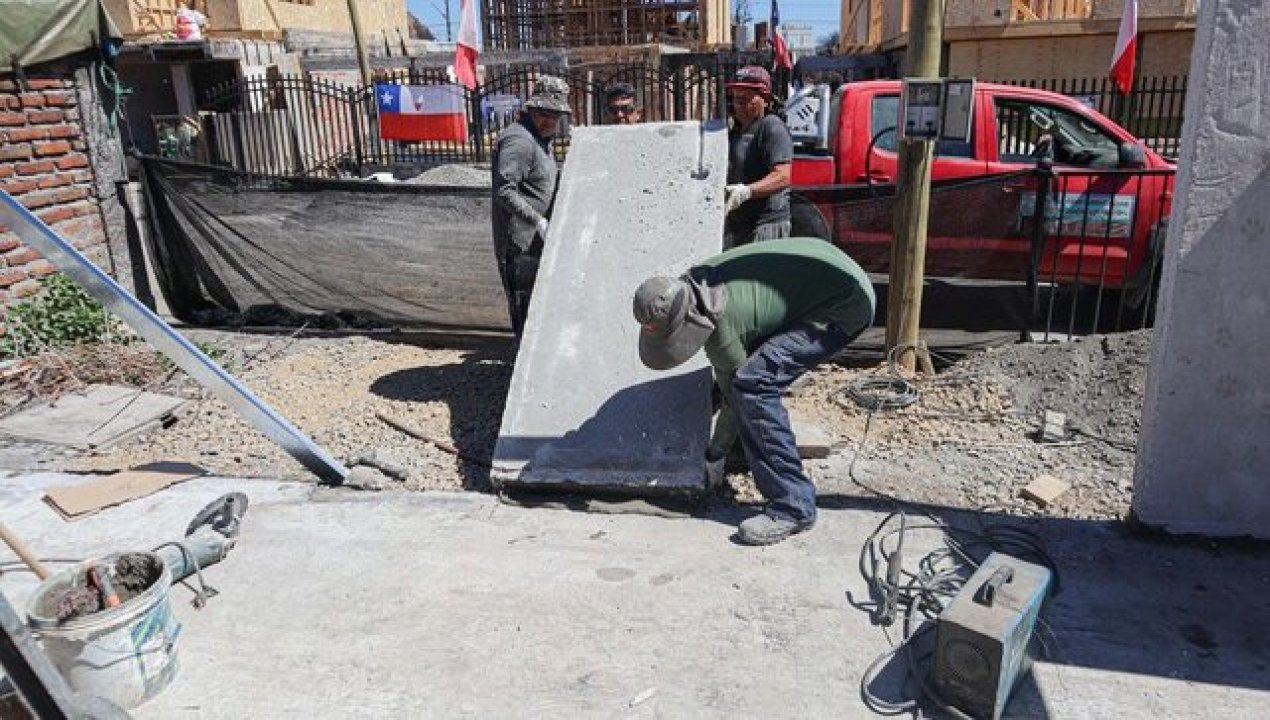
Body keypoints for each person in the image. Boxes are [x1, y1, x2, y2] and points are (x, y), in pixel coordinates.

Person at [632, 237, 876, 545]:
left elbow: (734, 395)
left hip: (844, 303)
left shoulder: (722, 328)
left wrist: (715, 454)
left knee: (753, 384)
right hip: (828, 269)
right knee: (747, 376)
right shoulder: (699, 282)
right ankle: (751, 450)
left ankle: (792, 506)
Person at [490, 75, 571, 337]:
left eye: (555, 116)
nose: (550, 121)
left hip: (537, 242)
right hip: (520, 245)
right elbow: (504, 191)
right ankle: (522, 362)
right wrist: (537, 221)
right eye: (544, 114)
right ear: (531, 109)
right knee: (526, 315)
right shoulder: (520, 141)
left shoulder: (540, 139)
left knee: (541, 311)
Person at [722, 65, 794, 247]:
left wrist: (746, 192)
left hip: (766, 226)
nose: (740, 103)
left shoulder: (771, 127)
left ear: (765, 99)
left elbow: (784, 176)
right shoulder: (734, 131)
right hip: (739, 225)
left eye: (747, 98)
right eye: (737, 97)